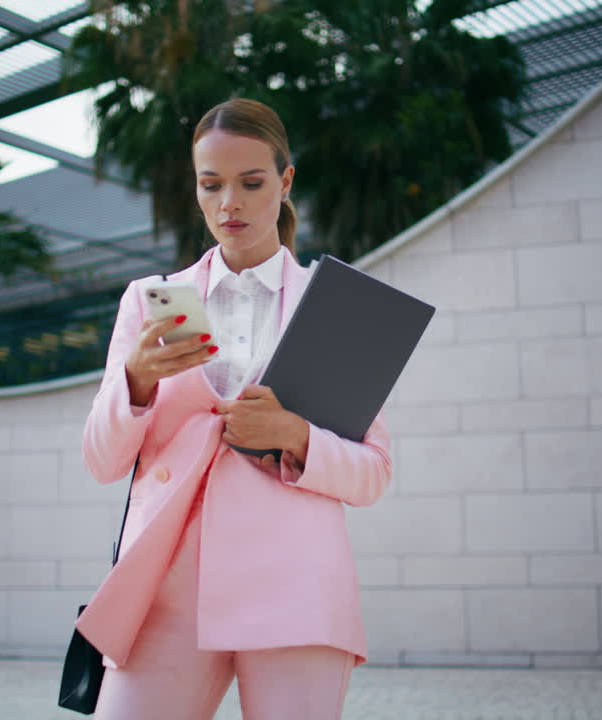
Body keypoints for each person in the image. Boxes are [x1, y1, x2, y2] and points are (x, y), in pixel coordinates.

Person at [75, 97, 392, 720]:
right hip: (167, 585)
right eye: (211, 184)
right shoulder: (157, 300)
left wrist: (295, 434)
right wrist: (136, 381)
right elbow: (101, 461)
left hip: (297, 584)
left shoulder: (333, 307)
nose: (230, 204)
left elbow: (374, 471)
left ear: (286, 180)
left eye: (251, 183)